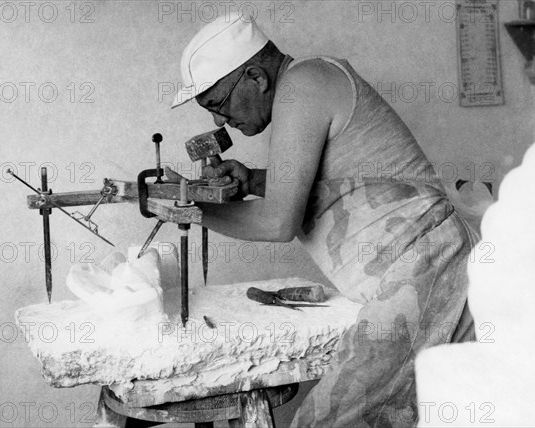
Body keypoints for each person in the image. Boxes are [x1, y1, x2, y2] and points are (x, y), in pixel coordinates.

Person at [172, 12, 476, 427]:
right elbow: (341, 184)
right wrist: (255, 180)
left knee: (326, 421)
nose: (219, 122)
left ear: (257, 78)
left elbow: (277, 223)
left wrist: (193, 209)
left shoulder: (304, 85)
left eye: (217, 105)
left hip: (427, 268)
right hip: (422, 268)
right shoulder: (306, 85)